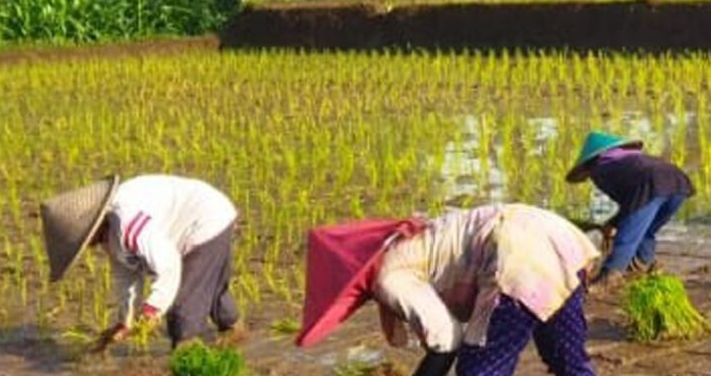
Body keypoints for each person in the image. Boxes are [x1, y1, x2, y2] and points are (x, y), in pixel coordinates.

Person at [296, 204, 599, 376]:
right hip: (558, 237)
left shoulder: (389, 276)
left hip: (516, 257)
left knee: (479, 370)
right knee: (568, 361)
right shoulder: (406, 242)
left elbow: (445, 338)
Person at [39, 174, 243, 351]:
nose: (85, 248)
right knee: (207, 286)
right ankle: (235, 332)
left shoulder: (128, 224)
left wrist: (152, 309)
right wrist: (125, 321)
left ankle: (187, 355)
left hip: (206, 218)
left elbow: (169, 264)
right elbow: (126, 275)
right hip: (192, 222)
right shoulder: (110, 233)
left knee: (183, 309)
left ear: (91, 227)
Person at [566, 131, 694, 287]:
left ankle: (609, 276)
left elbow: (631, 205)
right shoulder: (631, 159)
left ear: (590, 163)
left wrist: (614, 225)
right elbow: (634, 205)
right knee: (646, 230)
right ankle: (644, 267)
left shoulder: (600, 169)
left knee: (627, 235)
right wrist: (613, 222)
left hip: (651, 184)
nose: (589, 178)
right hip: (679, 182)